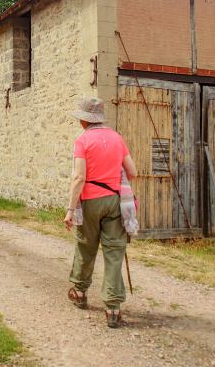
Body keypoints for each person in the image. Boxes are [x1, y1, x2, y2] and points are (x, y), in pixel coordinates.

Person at [63, 97, 137, 328]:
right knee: (115, 251)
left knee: (86, 245)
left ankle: (80, 292)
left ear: (84, 120)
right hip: (115, 200)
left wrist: (70, 209)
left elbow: (79, 177)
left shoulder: (82, 141)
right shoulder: (117, 138)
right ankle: (113, 308)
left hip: (91, 201)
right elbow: (132, 171)